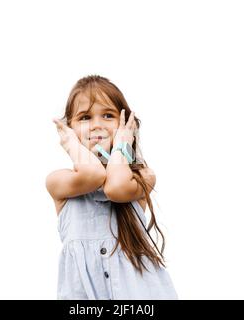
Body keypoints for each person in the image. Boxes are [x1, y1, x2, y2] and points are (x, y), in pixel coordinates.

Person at [46, 75, 178, 299]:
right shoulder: (59, 181)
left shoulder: (143, 176)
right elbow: (93, 174)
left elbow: (115, 188)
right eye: (85, 117)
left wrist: (123, 145)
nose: (97, 124)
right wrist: (71, 143)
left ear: (125, 124)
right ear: (70, 128)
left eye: (108, 115)